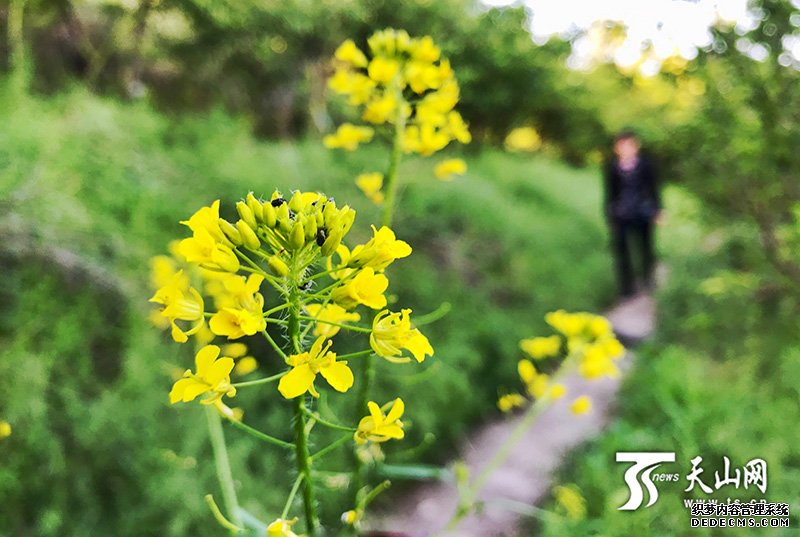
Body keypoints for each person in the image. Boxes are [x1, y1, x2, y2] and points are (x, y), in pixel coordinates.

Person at [603, 129, 661, 298]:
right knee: (622, 252)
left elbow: (653, 189)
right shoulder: (612, 167)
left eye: (629, 145)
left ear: (636, 146)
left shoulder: (646, 165)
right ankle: (626, 288)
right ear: (616, 148)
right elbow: (610, 194)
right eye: (622, 145)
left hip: (643, 212)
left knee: (646, 247)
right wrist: (609, 215)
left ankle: (648, 280)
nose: (626, 148)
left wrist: (658, 210)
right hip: (621, 214)